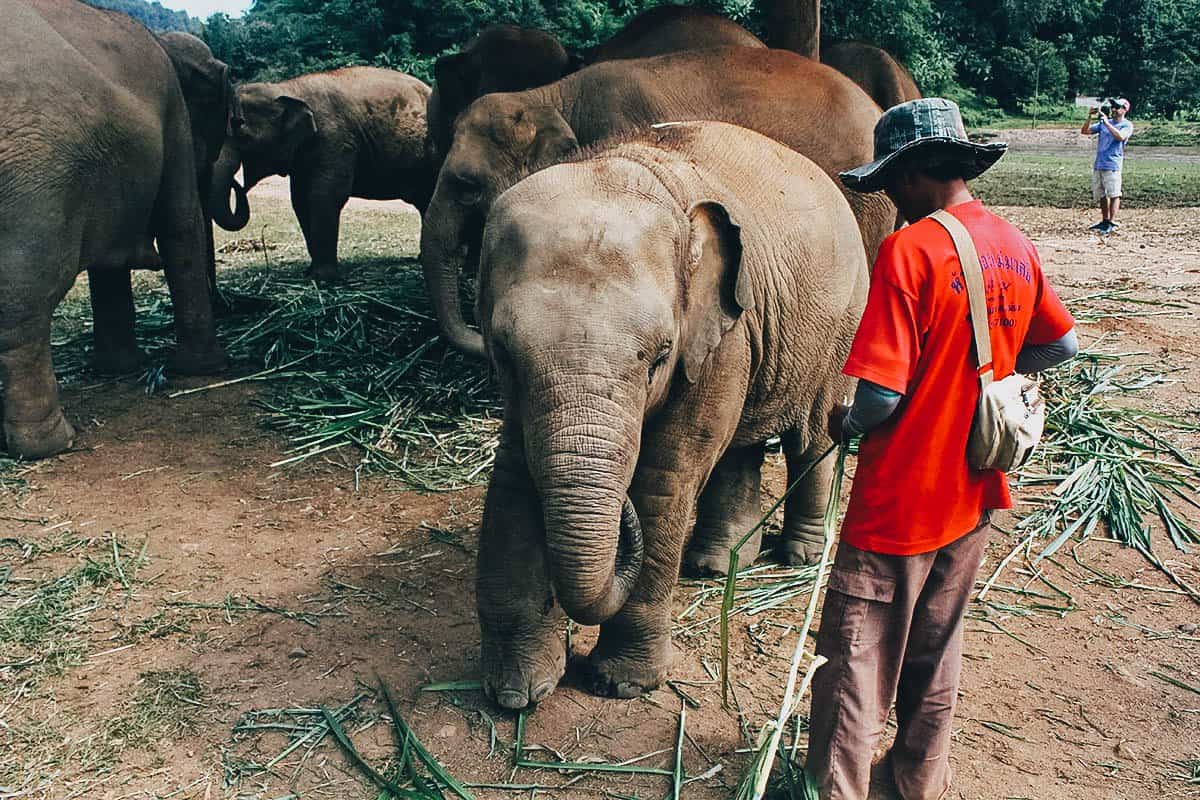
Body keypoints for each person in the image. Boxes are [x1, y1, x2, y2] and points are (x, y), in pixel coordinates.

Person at [804, 98, 1079, 800]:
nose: (890, 197)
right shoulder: (1013, 242)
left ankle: (837, 791)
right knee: (935, 651)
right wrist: (981, 374)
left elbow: (882, 400)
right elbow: (1060, 342)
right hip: (974, 491)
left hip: (900, 502)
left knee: (857, 661)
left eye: (893, 181)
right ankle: (914, 785)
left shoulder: (909, 250)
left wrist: (842, 424)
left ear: (921, 171)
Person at [1081, 98, 1133, 234]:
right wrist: (1089, 117)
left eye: (1118, 107)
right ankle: (1104, 220)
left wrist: (1106, 123)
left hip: (1113, 164)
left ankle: (1111, 221)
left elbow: (1120, 137)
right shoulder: (1104, 123)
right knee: (1101, 194)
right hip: (1099, 163)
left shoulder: (1126, 125)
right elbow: (1085, 131)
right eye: (1113, 106)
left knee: (1114, 194)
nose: (1114, 109)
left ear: (1125, 110)